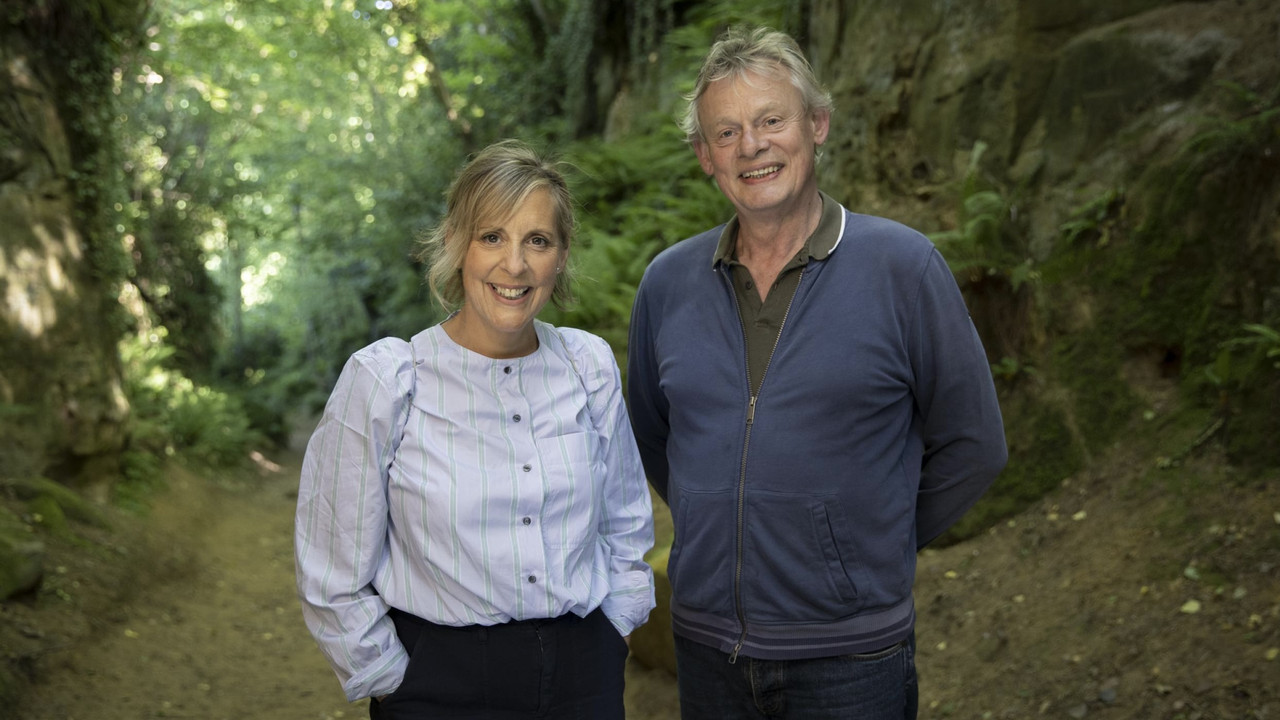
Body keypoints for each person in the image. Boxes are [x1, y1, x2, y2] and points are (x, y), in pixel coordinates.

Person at [626, 26, 1008, 720]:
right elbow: (654, 437)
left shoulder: (905, 268)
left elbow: (976, 442)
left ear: (817, 125)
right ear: (704, 156)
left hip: (852, 662)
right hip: (708, 653)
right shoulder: (666, 285)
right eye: (727, 131)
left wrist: (864, 543)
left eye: (772, 119)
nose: (752, 145)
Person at [296, 139, 655, 720]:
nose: (514, 265)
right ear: (456, 245)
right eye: (492, 236)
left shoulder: (587, 367)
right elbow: (331, 563)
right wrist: (392, 677)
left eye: (537, 240)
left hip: (582, 677)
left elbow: (627, 521)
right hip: (441, 686)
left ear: (560, 257)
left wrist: (614, 628)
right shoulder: (388, 381)